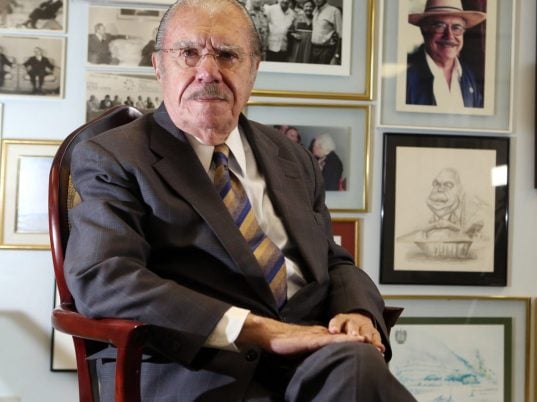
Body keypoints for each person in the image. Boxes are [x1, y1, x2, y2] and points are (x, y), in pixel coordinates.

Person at [64, 1, 415, 401]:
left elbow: (332, 262)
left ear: (254, 68)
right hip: (202, 372)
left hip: (317, 360)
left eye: (228, 55)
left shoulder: (291, 155)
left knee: (356, 366)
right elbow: (103, 277)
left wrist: (358, 311)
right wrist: (264, 331)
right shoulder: (113, 156)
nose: (208, 72)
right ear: (158, 66)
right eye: (188, 53)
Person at [405, 0, 486, 108]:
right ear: (424, 30)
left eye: (456, 28)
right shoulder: (405, 77)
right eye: (440, 26)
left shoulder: (470, 77)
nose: (449, 36)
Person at [309, 0, 341, 64]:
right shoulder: (315, 11)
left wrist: (336, 56)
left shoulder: (334, 11)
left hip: (326, 50)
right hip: (313, 49)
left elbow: (340, 35)